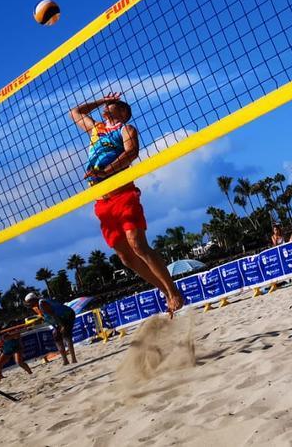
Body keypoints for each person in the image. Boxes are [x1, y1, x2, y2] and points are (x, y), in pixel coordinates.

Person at [70, 92, 185, 314]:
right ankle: (165, 291)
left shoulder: (126, 129)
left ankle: (173, 292)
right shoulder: (95, 128)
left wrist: (105, 171)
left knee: (138, 245)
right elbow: (75, 112)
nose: (108, 106)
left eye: (114, 104)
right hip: (101, 199)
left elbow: (131, 152)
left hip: (122, 192)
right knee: (126, 258)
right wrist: (103, 100)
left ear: (124, 112)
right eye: (107, 105)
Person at [25, 293, 77, 366]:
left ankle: (73, 359)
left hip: (67, 315)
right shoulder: (36, 307)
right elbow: (46, 318)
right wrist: (56, 327)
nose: (28, 304)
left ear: (33, 300)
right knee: (56, 336)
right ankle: (65, 360)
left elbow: (53, 314)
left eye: (29, 302)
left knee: (66, 335)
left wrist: (62, 325)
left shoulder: (42, 303)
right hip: (58, 319)